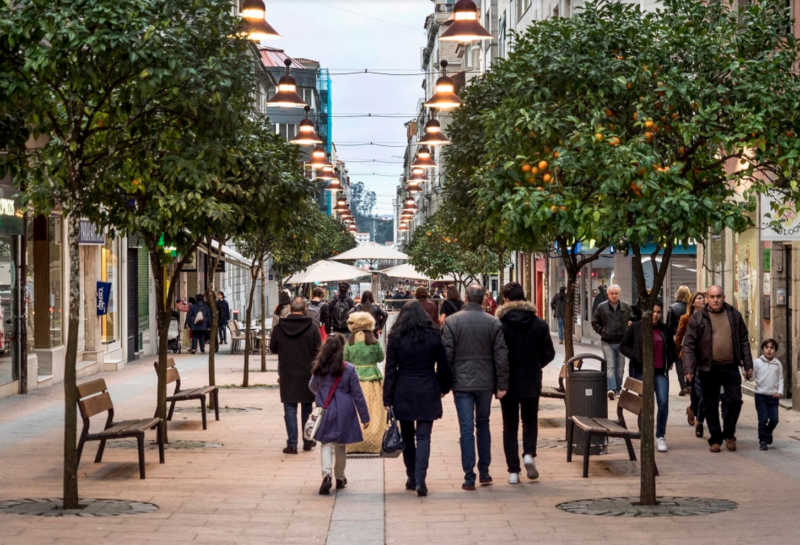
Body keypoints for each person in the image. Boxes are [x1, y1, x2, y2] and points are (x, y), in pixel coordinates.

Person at [442, 284, 509, 491]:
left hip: (461, 382)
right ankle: (485, 471)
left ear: (465, 298)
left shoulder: (452, 322)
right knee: (483, 424)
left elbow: (447, 355)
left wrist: (444, 383)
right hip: (485, 381)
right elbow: (501, 355)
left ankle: (469, 476)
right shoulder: (493, 322)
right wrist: (502, 383)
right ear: (482, 299)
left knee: (466, 428)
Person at [384, 302, 451, 496]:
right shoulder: (433, 335)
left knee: (406, 435)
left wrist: (387, 397)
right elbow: (444, 365)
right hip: (427, 387)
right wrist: (443, 387)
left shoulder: (396, 337)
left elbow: (390, 369)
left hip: (403, 389)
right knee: (423, 436)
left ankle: (412, 476)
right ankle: (421, 477)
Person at [682, 285, 753, 453]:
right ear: (706, 297)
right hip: (708, 368)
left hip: (730, 366)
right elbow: (689, 345)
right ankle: (715, 438)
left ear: (724, 297)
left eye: (719, 296)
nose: (715, 300)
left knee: (735, 400)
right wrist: (688, 368)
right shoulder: (698, 318)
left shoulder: (734, 315)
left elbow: (743, 340)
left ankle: (729, 433)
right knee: (710, 404)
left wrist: (748, 364)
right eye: (712, 296)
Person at [496, 282, 555, 484]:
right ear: (524, 298)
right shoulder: (539, 323)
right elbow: (549, 353)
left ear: (505, 300)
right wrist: (535, 365)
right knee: (529, 421)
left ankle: (513, 472)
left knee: (509, 427)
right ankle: (528, 453)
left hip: (508, 382)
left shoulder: (500, 325)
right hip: (531, 380)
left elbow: (496, 354)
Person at [309, 335, 370, 495]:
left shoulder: (319, 368)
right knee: (341, 446)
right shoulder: (348, 369)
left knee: (326, 444)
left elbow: (312, 386)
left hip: (326, 409)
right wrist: (364, 416)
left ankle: (326, 476)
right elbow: (357, 394)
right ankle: (340, 477)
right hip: (345, 411)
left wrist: (322, 393)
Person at [620, 299, 677, 453]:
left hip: (660, 372)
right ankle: (644, 432)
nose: (656, 315)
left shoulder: (665, 330)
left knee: (663, 403)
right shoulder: (637, 328)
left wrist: (669, 360)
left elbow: (673, 349)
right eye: (653, 311)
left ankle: (660, 436)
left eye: (659, 312)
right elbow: (623, 346)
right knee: (644, 404)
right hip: (641, 370)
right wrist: (636, 356)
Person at [269, 296, 322, 454]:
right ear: (305, 309)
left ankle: (292, 444)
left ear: (290, 308)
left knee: (290, 408)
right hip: (307, 373)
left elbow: (272, 348)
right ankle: (307, 440)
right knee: (307, 407)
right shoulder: (312, 328)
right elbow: (319, 351)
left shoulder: (279, 328)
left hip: (287, 372)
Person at [344, 312, 385, 454]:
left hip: (354, 379)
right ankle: (374, 441)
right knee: (375, 410)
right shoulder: (374, 342)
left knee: (353, 410)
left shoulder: (350, 342)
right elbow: (381, 358)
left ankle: (352, 442)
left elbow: (345, 359)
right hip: (373, 379)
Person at [675, 291, 707, 438]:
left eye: (703, 298)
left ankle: (694, 409)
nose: (702, 300)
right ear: (693, 302)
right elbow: (679, 336)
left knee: (702, 390)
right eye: (699, 298)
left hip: (705, 358)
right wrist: (674, 356)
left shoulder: (710, 317)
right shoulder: (686, 318)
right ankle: (694, 409)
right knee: (694, 387)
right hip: (691, 358)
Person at [591, 284, 632, 400]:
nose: (614, 295)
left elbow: (633, 319)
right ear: (608, 294)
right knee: (610, 365)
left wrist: (629, 327)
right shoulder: (601, 307)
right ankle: (611, 389)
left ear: (619, 294)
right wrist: (602, 331)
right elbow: (595, 322)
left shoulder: (625, 307)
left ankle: (618, 388)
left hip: (621, 342)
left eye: (616, 293)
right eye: (612, 293)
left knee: (620, 368)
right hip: (607, 341)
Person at [752, 338, 784, 451]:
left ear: (775, 350)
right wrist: (748, 374)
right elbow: (752, 377)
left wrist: (780, 391)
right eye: (767, 347)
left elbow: (780, 379)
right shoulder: (757, 362)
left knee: (774, 419)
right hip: (760, 395)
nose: (769, 350)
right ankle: (763, 441)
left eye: (772, 348)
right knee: (763, 419)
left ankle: (768, 431)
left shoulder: (778, 364)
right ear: (762, 349)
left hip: (773, 396)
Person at [666, 285, 691, 395]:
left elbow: (669, 326)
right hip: (689, 337)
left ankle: (683, 386)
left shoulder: (673, 307)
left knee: (678, 362)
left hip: (677, 338)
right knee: (689, 361)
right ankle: (689, 384)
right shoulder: (691, 308)